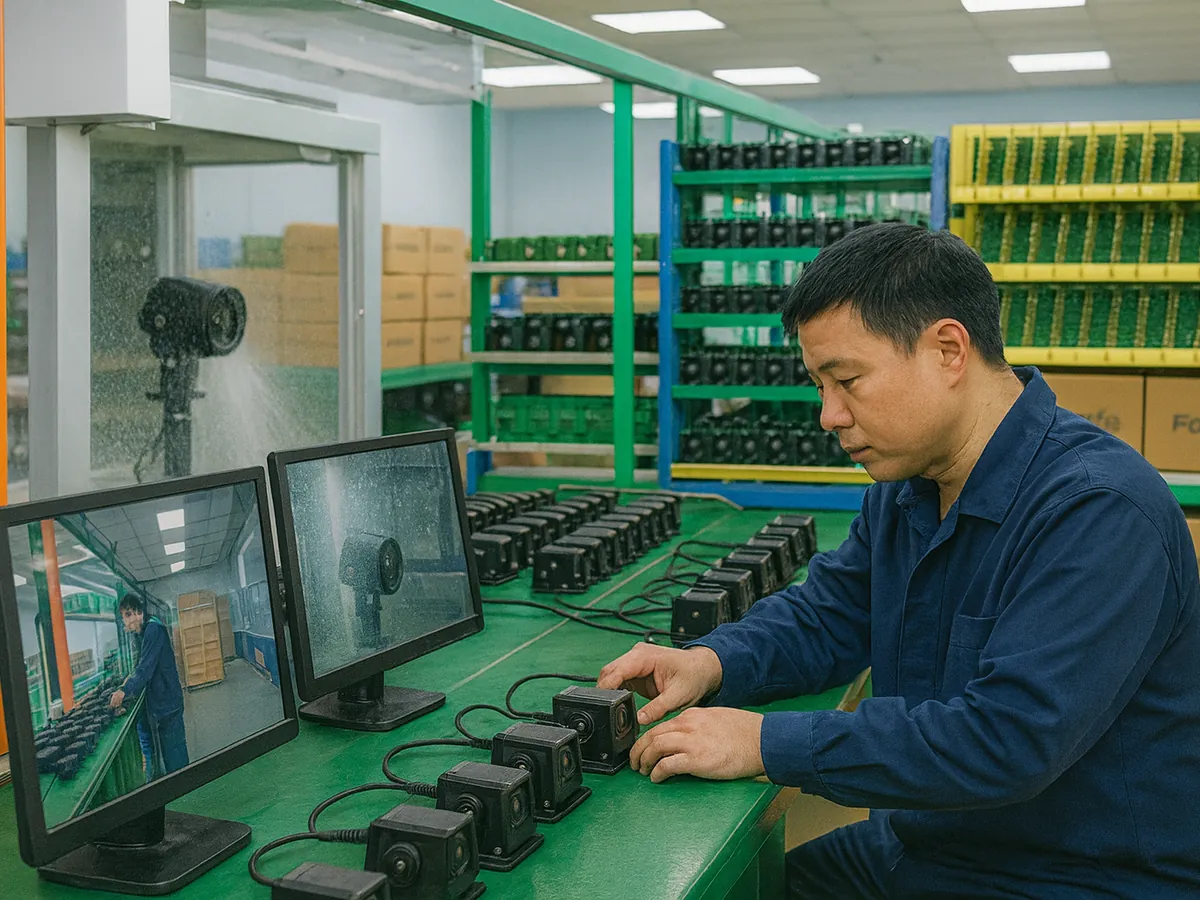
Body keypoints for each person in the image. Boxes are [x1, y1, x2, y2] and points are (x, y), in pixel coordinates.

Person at [598, 223, 1200, 899]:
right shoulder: (911, 485)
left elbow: (1007, 742)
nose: (829, 415)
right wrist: (710, 662)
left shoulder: (1098, 511)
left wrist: (765, 744)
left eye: (847, 380)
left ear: (948, 349)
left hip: (1075, 875)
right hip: (933, 844)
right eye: (820, 386)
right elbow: (828, 617)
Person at [110, 595, 190, 778]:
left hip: (168, 703)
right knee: (171, 752)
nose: (127, 621)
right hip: (163, 703)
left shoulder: (153, 630)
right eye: (124, 616)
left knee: (175, 755)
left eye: (128, 615)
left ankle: (186, 790)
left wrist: (124, 690)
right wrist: (126, 684)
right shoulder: (144, 633)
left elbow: (145, 668)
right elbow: (141, 665)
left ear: (139, 613)